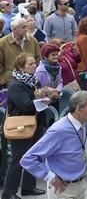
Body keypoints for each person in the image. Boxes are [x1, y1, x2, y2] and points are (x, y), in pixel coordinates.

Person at [20, 90, 87, 199]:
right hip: (63, 190)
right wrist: (51, 178)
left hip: (80, 185)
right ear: (79, 108)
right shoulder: (59, 130)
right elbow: (28, 159)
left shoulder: (82, 124)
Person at [3, 53, 54, 199]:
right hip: (21, 126)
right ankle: (9, 193)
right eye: (30, 64)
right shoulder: (15, 85)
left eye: (34, 63)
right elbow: (26, 105)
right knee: (18, 159)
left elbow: (35, 99)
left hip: (36, 124)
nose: (34, 66)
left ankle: (28, 187)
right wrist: (43, 99)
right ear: (21, 67)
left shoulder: (33, 81)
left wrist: (48, 96)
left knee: (35, 156)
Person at [0, 16, 41, 87]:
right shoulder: (3, 43)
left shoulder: (32, 40)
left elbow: (38, 59)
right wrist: (3, 80)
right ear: (14, 29)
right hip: (11, 82)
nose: (26, 29)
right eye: (23, 27)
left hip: (31, 81)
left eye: (26, 27)